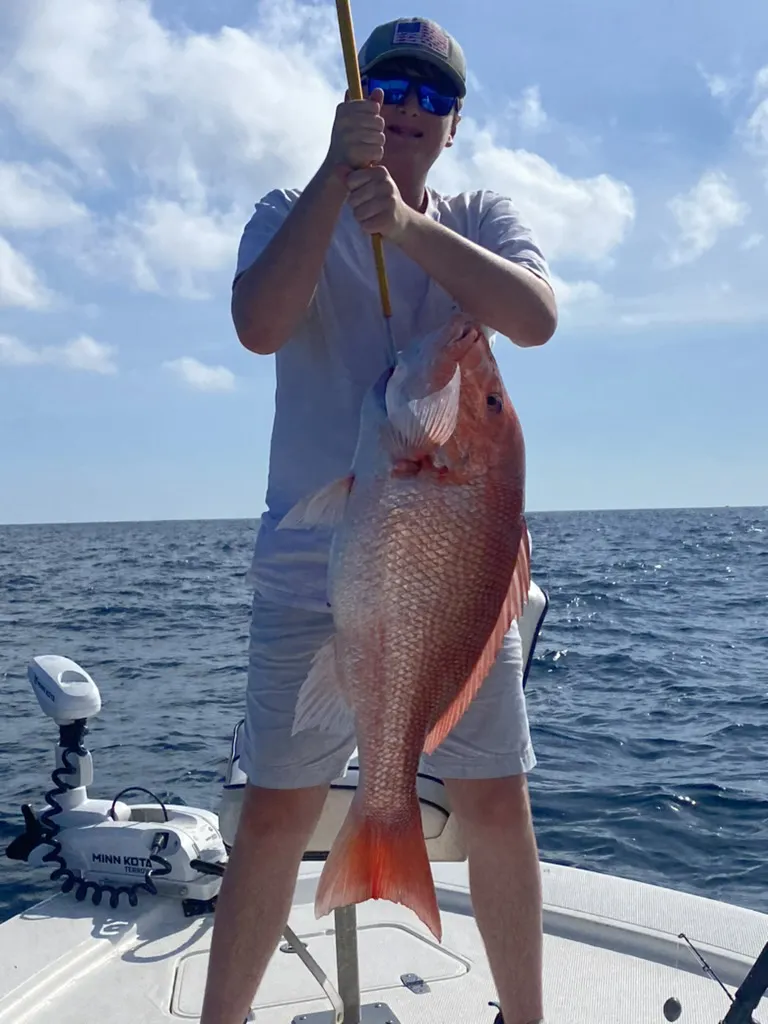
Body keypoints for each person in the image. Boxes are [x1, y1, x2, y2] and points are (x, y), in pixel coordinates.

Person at [200, 16, 557, 1024]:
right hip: (305, 574)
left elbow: (534, 317)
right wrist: (336, 175)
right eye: (388, 89)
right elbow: (258, 325)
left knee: (496, 799)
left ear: (455, 126)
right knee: (275, 812)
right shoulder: (289, 210)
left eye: (433, 98)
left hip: (451, 579)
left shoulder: (478, 219)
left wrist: (405, 226)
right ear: (357, 103)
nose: (408, 110)